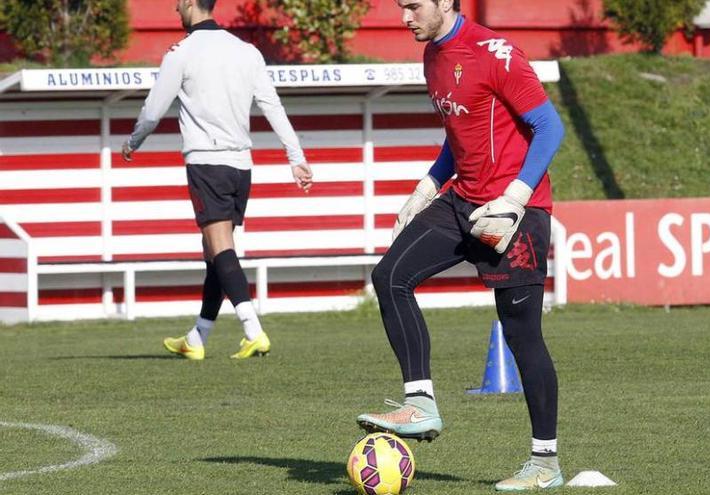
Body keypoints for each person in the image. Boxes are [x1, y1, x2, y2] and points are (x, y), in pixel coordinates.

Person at [356, 0, 566, 490]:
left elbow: (549, 127)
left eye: (413, 6)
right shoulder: (432, 53)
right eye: (401, 6)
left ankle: (545, 463)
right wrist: (428, 186)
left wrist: (516, 197)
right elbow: (459, 133)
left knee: (522, 337)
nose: (405, 17)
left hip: (517, 212)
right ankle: (421, 402)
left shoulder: (496, 52)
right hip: (460, 202)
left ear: (446, 1)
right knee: (390, 275)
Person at [122, 0, 312, 360]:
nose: (176, 10)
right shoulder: (247, 51)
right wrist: (296, 157)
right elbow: (272, 105)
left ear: (192, 3)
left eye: (179, 4)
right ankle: (198, 337)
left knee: (221, 247)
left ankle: (253, 331)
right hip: (241, 166)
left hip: (207, 163)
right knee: (214, 252)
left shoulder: (182, 52)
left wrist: (133, 142)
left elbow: (153, 108)